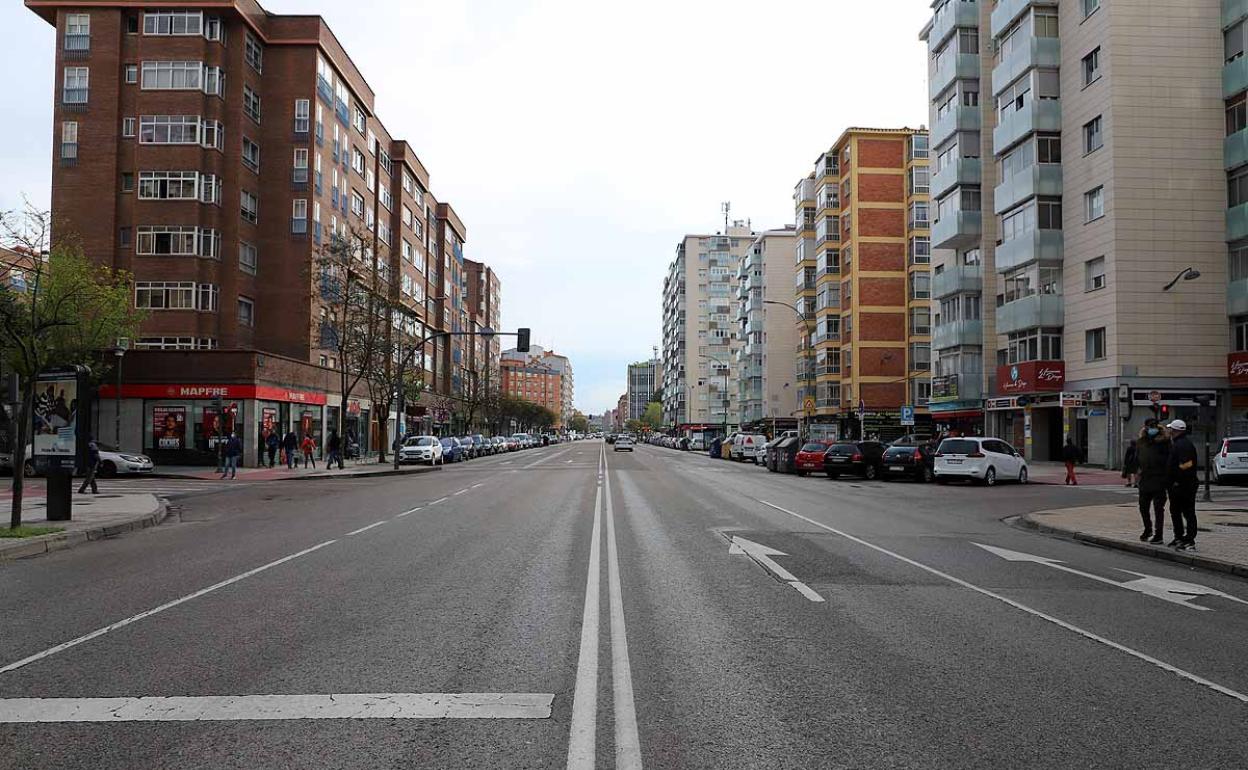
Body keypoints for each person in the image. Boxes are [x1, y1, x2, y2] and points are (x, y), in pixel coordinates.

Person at [1165, 419, 1200, 550]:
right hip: (1181, 484)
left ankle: (1189, 539)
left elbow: (1188, 464)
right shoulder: (1180, 443)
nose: (1169, 431)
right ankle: (1179, 537)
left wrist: (1177, 479)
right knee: (1177, 511)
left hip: (1183, 485)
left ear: (1176, 431)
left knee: (1187, 512)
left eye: (1171, 429)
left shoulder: (1183, 445)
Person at [1135, 419, 1170, 544]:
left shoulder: (1164, 442)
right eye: (1149, 427)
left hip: (1159, 479)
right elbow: (1136, 458)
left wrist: (1168, 478)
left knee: (1158, 509)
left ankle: (1158, 534)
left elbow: (1169, 460)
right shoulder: (1141, 442)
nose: (1152, 429)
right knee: (1143, 507)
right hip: (1145, 478)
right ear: (1145, 428)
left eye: (1154, 427)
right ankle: (1147, 529)